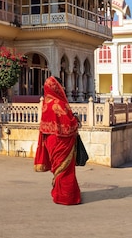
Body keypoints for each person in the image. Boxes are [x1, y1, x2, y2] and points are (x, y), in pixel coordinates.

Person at [34, 76, 81, 205]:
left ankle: (58, 194)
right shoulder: (58, 104)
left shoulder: (46, 104)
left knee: (58, 168)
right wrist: (75, 120)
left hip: (50, 141)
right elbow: (68, 126)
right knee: (65, 170)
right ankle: (67, 197)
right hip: (62, 141)